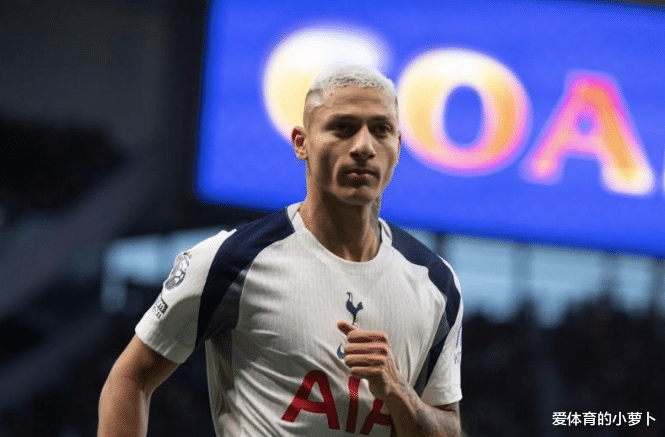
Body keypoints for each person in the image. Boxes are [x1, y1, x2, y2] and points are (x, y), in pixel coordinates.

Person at [98, 64, 463, 436]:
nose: (363, 147)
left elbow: (449, 427)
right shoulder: (230, 260)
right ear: (301, 143)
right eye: (343, 128)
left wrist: (399, 391)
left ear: (397, 146)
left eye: (381, 130)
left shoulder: (437, 283)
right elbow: (129, 379)